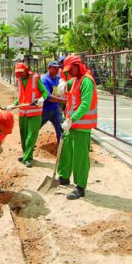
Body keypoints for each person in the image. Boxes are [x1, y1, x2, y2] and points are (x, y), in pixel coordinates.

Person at [57, 55, 98, 200]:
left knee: (80, 157)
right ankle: (64, 177)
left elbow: (85, 104)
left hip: (81, 125)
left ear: (77, 66)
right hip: (71, 124)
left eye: (70, 69)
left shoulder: (86, 81)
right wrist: (62, 84)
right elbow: (66, 87)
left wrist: (72, 119)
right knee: (66, 150)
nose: (69, 73)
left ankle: (80, 187)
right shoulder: (75, 79)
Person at [10, 62, 50, 168]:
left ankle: (27, 158)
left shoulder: (35, 78)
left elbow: (45, 92)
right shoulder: (19, 80)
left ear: (26, 70)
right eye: (18, 73)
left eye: (22, 73)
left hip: (34, 112)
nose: (20, 75)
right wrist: (13, 105)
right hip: (22, 112)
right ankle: (26, 154)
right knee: (23, 135)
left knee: (31, 136)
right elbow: (21, 96)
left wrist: (41, 99)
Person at [39, 61, 65, 143]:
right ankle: (28, 150)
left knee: (61, 129)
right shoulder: (44, 80)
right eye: (54, 68)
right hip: (44, 110)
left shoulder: (57, 79)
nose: (57, 70)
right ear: (49, 68)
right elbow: (48, 97)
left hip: (55, 109)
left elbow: (56, 93)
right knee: (35, 129)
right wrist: (63, 100)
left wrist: (60, 105)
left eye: (58, 68)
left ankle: (61, 151)